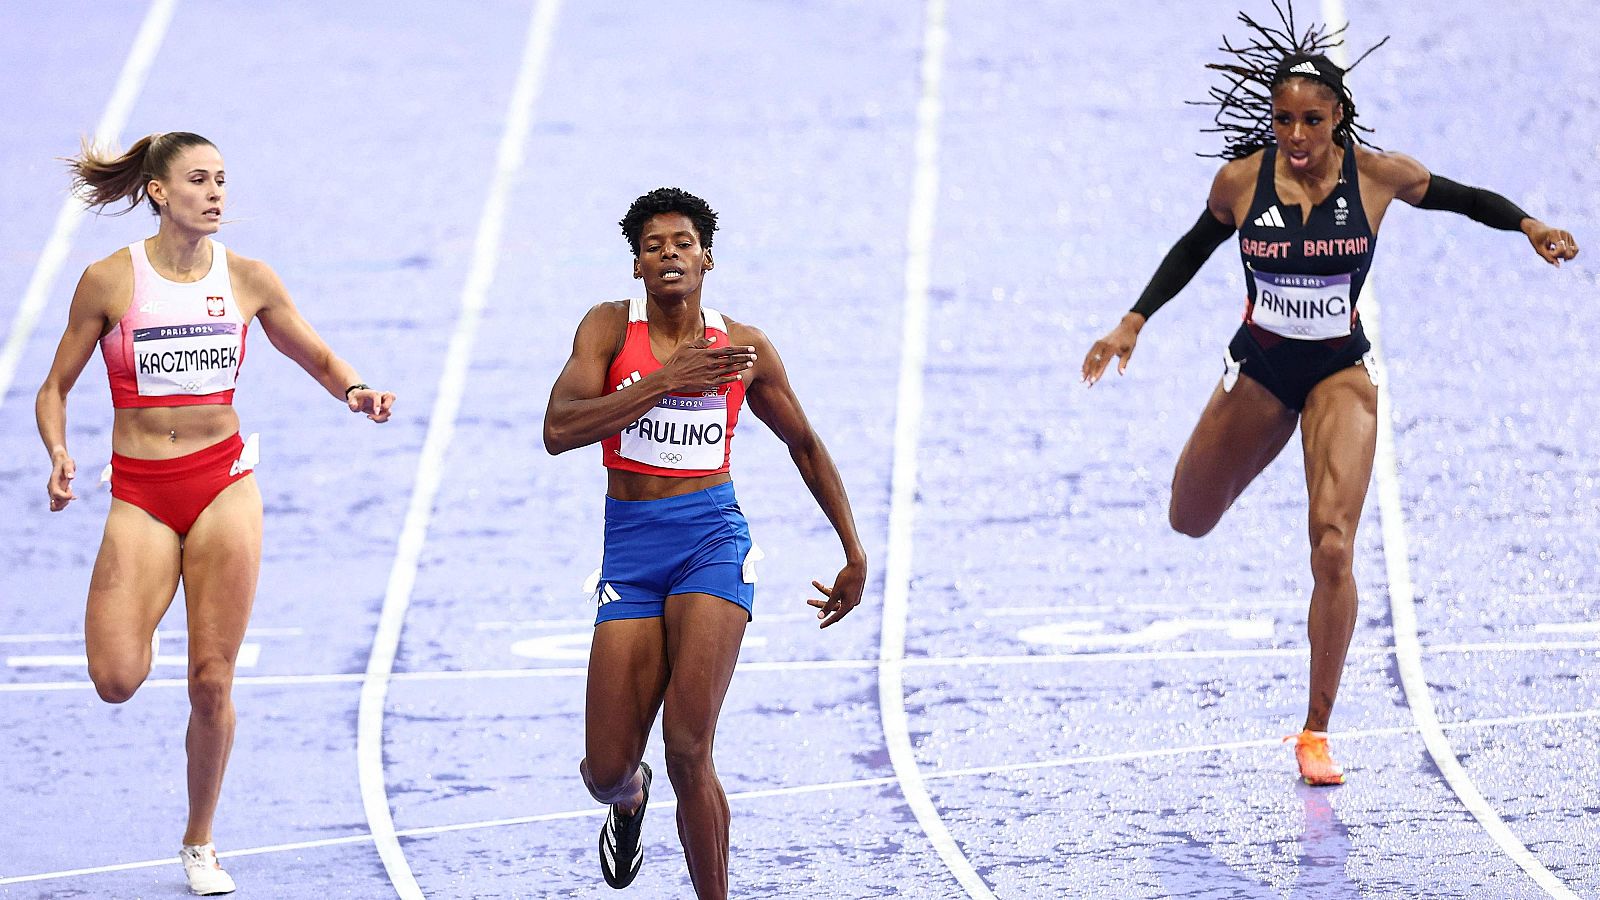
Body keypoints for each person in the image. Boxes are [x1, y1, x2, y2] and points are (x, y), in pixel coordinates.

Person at [1080, 8, 1578, 786]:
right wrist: (1131, 323)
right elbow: (1191, 247)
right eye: (1284, 120)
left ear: (1338, 117)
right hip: (1260, 372)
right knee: (1188, 516)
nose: (1297, 135)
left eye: (1312, 119)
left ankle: (1316, 731)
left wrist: (1528, 224)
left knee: (1334, 544)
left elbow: (1459, 196)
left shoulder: (1377, 177)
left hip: (1340, 371)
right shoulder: (1241, 182)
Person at [35, 131, 395, 894]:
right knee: (115, 677)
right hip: (141, 492)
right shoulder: (108, 281)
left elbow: (321, 359)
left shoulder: (248, 279)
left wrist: (358, 391)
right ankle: (150, 600)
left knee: (211, 679)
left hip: (223, 485)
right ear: (161, 192)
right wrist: (60, 453)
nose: (216, 193)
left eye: (223, 181)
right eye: (199, 180)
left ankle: (200, 840)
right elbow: (53, 389)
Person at [543, 187, 867, 897]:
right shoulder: (606, 329)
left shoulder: (742, 348)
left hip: (710, 542)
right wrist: (664, 383)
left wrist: (853, 550)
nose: (669, 254)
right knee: (603, 771)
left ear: (707, 259)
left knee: (690, 749)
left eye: (683, 243)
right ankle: (630, 801)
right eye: (653, 246)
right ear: (636, 266)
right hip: (630, 552)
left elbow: (804, 442)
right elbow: (559, 431)